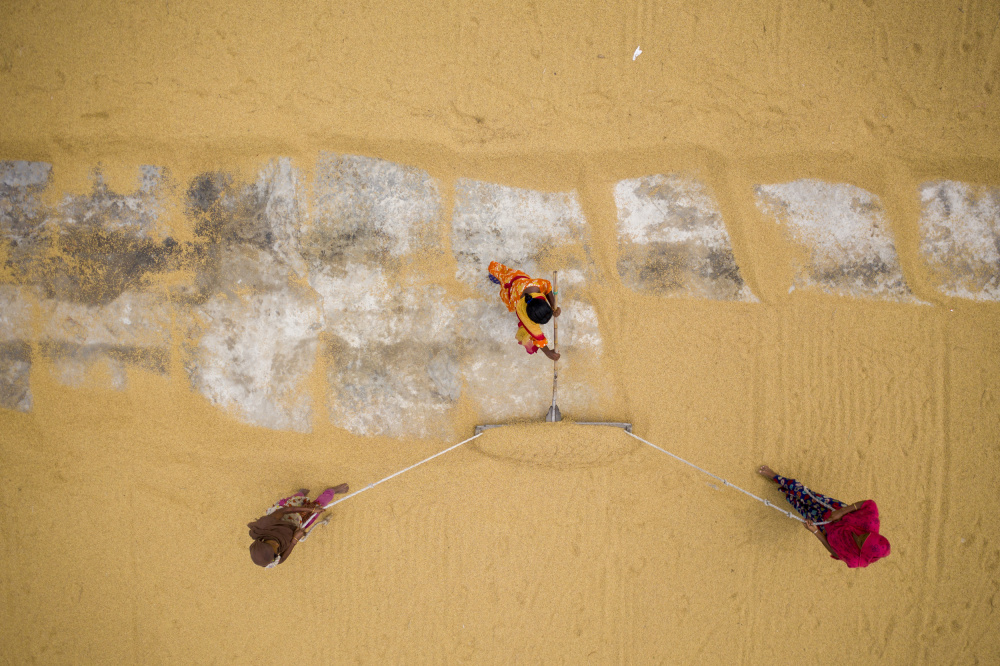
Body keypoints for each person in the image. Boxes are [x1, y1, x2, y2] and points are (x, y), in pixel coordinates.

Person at [757, 465, 890, 568]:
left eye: (861, 542)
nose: (860, 536)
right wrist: (841, 512)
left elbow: (836, 552)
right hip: (834, 510)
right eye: (865, 535)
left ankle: (785, 490)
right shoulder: (871, 523)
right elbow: (869, 504)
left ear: (863, 552)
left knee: (798, 506)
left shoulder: (856, 559)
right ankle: (775, 476)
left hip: (825, 528)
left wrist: (815, 531)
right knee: (803, 493)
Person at [248, 484, 349, 568]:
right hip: (297, 524)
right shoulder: (272, 559)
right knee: (319, 505)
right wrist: (295, 539)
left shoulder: (264, 526)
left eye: (273, 547)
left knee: (296, 500)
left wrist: (312, 510)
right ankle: (331, 491)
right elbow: (281, 559)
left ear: (263, 542)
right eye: (275, 556)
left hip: (288, 512)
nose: (277, 549)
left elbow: (284, 510)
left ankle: (302, 494)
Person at [487, 261, 561, 360]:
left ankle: (500, 278)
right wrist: (547, 352)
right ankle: (500, 280)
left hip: (518, 279)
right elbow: (536, 335)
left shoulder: (537, 285)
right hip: (513, 289)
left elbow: (547, 287)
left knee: (507, 276)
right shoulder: (521, 311)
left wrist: (554, 307)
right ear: (529, 316)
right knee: (504, 281)